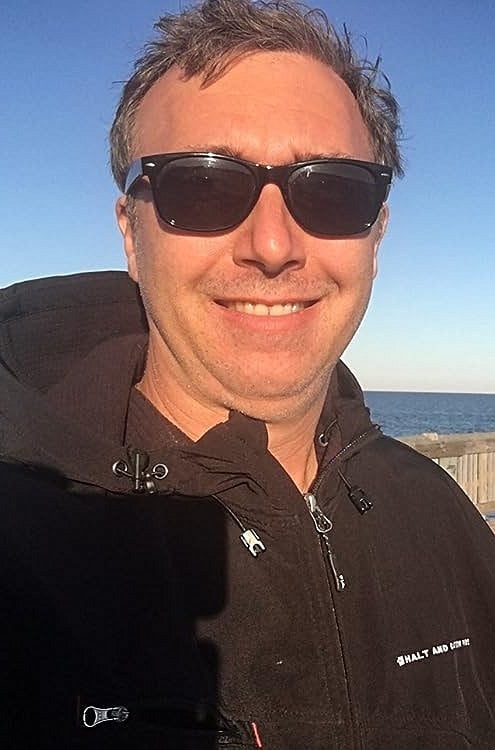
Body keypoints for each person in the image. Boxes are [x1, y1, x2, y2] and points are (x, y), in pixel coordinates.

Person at [1, 0, 495, 747]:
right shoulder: (22, 546)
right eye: (202, 186)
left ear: (376, 237)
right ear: (131, 232)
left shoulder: (436, 517)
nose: (271, 245)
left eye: (331, 191)